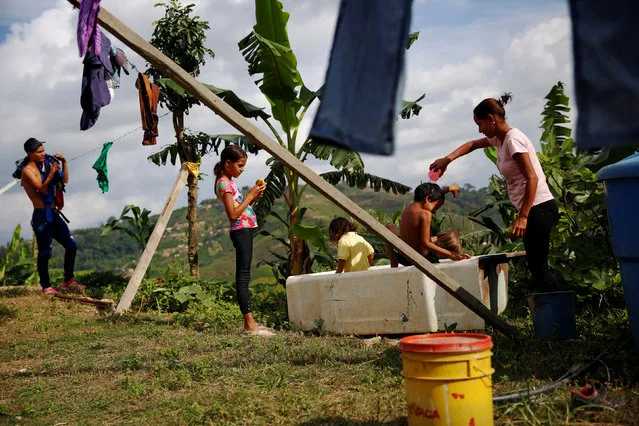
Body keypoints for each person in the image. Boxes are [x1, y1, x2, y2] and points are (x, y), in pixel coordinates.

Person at [430, 93, 559, 292]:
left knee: (539, 267)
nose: (480, 130)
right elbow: (472, 145)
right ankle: (550, 310)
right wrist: (448, 159)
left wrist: (523, 216)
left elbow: (532, 178)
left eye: (480, 124)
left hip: (539, 208)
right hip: (532, 209)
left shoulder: (513, 140)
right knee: (535, 265)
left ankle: (554, 311)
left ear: (491, 119)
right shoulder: (500, 140)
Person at [214, 145, 272, 336]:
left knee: (245, 276)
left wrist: (255, 198)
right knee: (243, 277)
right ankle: (249, 324)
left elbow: (241, 209)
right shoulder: (224, 184)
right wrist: (250, 195)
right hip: (240, 230)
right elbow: (233, 215)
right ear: (228, 163)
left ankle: (251, 322)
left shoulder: (228, 182)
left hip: (244, 229)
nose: (242, 169)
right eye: (239, 165)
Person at [16, 138, 84, 295]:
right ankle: (46, 286)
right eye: (39, 152)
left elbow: (65, 179)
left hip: (54, 213)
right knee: (45, 252)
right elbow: (42, 189)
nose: (42, 154)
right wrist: (52, 172)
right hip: (41, 215)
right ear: (30, 154)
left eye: (43, 151)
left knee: (71, 245)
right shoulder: (28, 170)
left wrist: (64, 163)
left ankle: (68, 280)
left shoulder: (46, 165)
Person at [386, 183, 471, 267]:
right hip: (422, 260)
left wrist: (447, 189)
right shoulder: (425, 214)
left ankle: (393, 264)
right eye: (435, 207)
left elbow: (432, 196)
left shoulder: (409, 209)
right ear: (428, 198)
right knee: (447, 240)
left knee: (390, 228)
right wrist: (451, 254)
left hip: (403, 257)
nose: (434, 211)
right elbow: (425, 243)